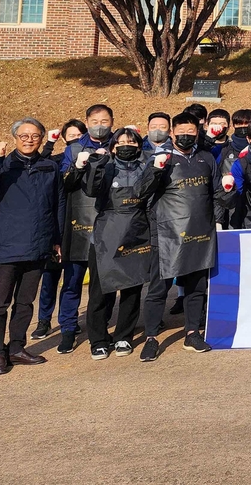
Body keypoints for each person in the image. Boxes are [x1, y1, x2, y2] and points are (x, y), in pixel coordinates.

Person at [0, 118, 63, 376]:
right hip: (7, 247)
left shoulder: (49, 166)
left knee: (25, 302)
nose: (29, 140)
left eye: (34, 135)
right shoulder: (3, 166)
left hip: (38, 245)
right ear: (15, 138)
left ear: (42, 138)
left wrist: (57, 240)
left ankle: (16, 347)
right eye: (23, 135)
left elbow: (58, 204)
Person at [141, 113, 223, 362]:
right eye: (181, 132)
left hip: (200, 233)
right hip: (167, 235)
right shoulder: (160, 158)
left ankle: (192, 333)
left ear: (197, 133)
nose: (186, 136)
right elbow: (142, 192)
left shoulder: (206, 158)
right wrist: (156, 169)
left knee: (196, 287)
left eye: (191, 132)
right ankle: (152, 338)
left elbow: (216, 192)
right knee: (158, 289)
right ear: (172, 133)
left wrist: (217, 220)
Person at [81, 127, 157, 359]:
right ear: (113, 147)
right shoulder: (106, 166)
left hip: (135, 232)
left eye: (132, 142)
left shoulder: (146, 167)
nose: (126, 146)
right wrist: (96, 164)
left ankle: (124, 336)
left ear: (138, 146)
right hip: (105, 234)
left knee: (132, 289)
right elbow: (91, 189)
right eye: (121, 142)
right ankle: (99, 340)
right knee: (100, 290)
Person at [55, 103, 117, 354]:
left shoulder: (118, 144)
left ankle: (100, 329)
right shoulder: (74, 148)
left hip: (108, 220)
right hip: (78, 222)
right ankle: (68, 329)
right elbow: (62, 185)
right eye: (95, 120)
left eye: (105, 121)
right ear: (87, 121)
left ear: (112, 121)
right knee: (72, 281)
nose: (100, 125)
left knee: (106, 284)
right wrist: (77, 166)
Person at [31, 119, 84, 342]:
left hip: (79, 228)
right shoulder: (56, 161)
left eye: (78, 136)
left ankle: (67, 323)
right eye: (69, 136)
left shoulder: (90, 159)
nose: (74, 139)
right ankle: (44, 320)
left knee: (72, 281)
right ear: (63, 138)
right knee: (50, 278)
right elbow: (36, 166)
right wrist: (49, 145)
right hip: (57, 225)